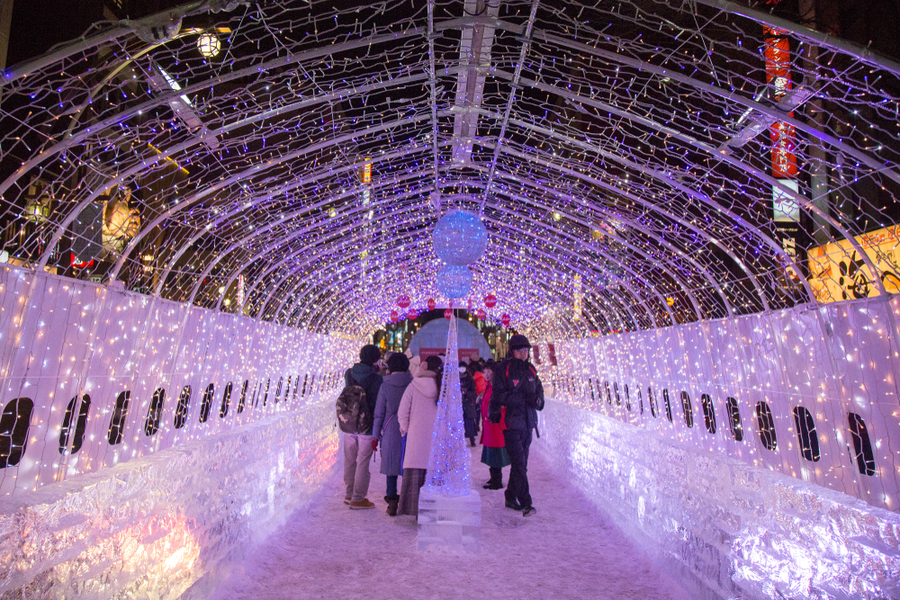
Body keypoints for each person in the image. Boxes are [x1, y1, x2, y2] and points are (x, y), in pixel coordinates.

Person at [490, 334, 543, 517]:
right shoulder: (503, 369)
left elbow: (540, 393)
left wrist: (538, 401)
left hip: (528, 423)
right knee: (519, 463)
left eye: (526, 350)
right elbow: (499, 394)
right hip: (511, 423)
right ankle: (527, 502)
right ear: (512, 351)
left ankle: (510, 495)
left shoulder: (531, 370)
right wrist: (522, 399)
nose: (523, 353)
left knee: (521, 464)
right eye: (520, 350)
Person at [396, 355, 443, 517]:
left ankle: (414, 509)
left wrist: (407, 430)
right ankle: (432, 512)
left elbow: (402, 412)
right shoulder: (442, 388)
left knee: (415, 474)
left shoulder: (413, 386)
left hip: (415, 441)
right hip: (436, 441)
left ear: (424, 366)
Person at [342, 344, 383, 509]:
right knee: (363, 462)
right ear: (375, 359)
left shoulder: (349, 373)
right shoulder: (377, 378)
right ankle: (358, 498)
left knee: (349, 459)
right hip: (368, 425)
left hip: (349, 422)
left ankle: (348, 493)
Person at [372, 352, 413, 516]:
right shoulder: (413, 384)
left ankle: (392, 501)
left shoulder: (385, 386)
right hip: (410, 429)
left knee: (391, 466)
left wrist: (375, 436)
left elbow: (379, 413)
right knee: (408, 464)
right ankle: (407, 499)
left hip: (390, 430)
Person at [479, 362, 509, 489]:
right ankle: (494, 478)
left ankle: (497, 481)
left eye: (489, 371)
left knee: (496, 454)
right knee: (492, 454)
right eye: (485, 371)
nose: (486, 374)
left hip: (495, 427)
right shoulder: (488, 387)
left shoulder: (496, 388)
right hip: (489, 427)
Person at [459, 361, 478, 446]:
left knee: (469, 422)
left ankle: (472, 439)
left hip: (468, 403)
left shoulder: (470, 378)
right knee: (459, 422)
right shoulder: (455, 378)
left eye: (463, 367)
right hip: (458, 403)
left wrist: (466, 393)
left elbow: (473, 391)